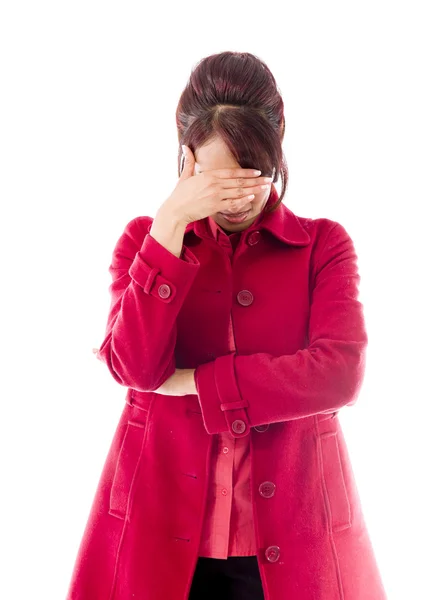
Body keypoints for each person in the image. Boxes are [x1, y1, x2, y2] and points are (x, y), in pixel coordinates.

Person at [67, 51, 387, 600]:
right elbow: (136, 368)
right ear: (185, 159)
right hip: (159, 536)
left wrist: (198, 382)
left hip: (294, 541)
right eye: (217, 183)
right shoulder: (145, 243)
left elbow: (341, 374)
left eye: (252, 178)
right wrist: (169, 224)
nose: (235, 200)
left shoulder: (323, 246)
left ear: (278, 144)